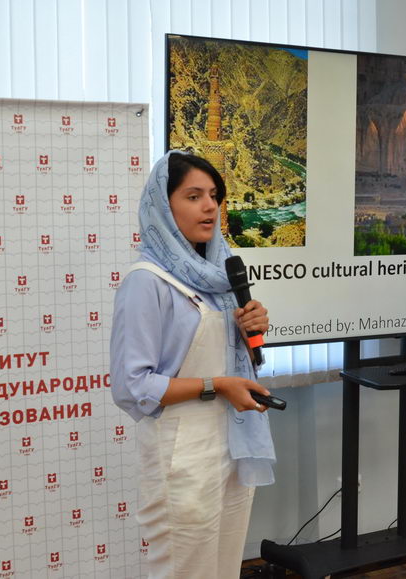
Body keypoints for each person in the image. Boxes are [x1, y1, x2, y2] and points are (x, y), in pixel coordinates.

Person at [110, 151, 276, 578]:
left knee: (223, 570)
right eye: (194, 195)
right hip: (181, 452)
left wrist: (248, 330)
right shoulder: (146, 282)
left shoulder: (217, 276)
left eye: (215, 196)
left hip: (232, 444)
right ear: (164, 207)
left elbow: (227, 358)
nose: (210, 207)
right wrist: (217, 385)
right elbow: (133, 385)